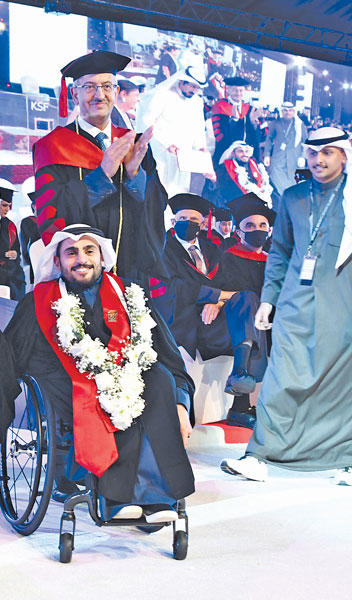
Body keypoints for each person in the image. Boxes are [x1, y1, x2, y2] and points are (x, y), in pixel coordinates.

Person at [0, 224, 195, 522]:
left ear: (102, 257)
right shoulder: (38, 302)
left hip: (129, 384)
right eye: (71, 252)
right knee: (95, 393)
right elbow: (11, 358)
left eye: (88, 251)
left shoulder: (131, 296)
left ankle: (156, 497)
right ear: (57, 261)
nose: (81, 259)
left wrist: (180, 404)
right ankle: (117, 497)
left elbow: (167, 354)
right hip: (67, 391)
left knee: (159, 377)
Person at [221, 127, 352, 484]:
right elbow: (279, 251)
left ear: (343, 154)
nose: (318, 160)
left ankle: (345, 459)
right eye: (312, 153)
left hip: (342, 302)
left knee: (340, 382)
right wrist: (268, 300)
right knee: (280, 375)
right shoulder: (293, 197)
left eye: (327, 153)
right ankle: (258, 455)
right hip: (295, 300)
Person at [32, 51, 165, 282]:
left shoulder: (133, 144)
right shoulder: (53, 147)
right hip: (81, 277)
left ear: (116, 91)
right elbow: (50, 217)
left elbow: (158, 206)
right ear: (74, 94)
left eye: (107, 86)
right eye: (89, 87)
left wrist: (135, 176)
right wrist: (102, 176)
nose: (100, 95)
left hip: (131, 275)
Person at [152, 193, 268, 397]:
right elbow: (172, 288)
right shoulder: (163, 250)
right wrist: (214, 295)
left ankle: (240, 373)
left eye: (194, 219)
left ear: (203, 223)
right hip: (183, 319)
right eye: (182, 219)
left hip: (212, 321)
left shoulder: (212, 250)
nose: (188, 223)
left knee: (248, 299)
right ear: (173, 222)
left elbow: (227, 282)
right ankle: (243, 401)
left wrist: (218, 303)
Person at [212, 193, 275, 428]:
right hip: (236, 320)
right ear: (238, 232)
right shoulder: (228, 258)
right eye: (249, 226)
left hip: (265, 321)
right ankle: (241, 406)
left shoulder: (273, 261)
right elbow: (221, 291)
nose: (257, 230)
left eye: (262, 225)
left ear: (269, 230)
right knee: (250, 305)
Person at [136, 65, 216, 197]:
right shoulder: (163, 95)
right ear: (182, 81)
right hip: (161, 154)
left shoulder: (196, 102)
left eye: (197, 88)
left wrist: (201, 146)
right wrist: (166, 144)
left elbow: (199, 127)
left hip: (184, 157)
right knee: (159, 191)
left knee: (179, 192)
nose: (194, 91)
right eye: (192, 86)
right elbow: (147, 121)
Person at [210, 76, 263, 166]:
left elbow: (257, 137)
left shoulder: (250, 109)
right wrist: (234, 120)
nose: (238, 93)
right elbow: (219, 135)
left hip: (245, 155)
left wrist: (253, 123)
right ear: (228, 90)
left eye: (241, 90)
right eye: (235, 90)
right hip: (226, 154)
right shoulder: (220, 107)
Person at [263, 102, 307, 198]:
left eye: (290, 110)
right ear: (281, 111)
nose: (288, 112)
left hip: (294, 159)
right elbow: (269, 139)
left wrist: (303, 156)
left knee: (292, 183)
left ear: (294, 112)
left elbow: (305, 142)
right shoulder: (275, 123)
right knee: (276, 181)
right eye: (285, 110)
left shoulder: (299, 125)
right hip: (278, 158)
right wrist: (266, 154)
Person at [212, 140, 275, 209]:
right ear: (233, 153)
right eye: (240, 151)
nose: (244, 154)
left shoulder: (256, 164)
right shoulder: (224, 168)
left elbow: (266, 184)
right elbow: (224, 191)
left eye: (247, 151)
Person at [0, 187, 25, 299]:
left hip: (11, 267)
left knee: (18, 276)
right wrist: (4, 254)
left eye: (9, 206)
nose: (7, 209)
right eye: (4, 205)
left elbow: (17, 250)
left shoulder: (10, 225)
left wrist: (15, 254)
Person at [19, 197, 40, 284]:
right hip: (35, 257)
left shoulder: (50, 221)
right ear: (34, 206)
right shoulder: (27, 221)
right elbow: (27, 240)